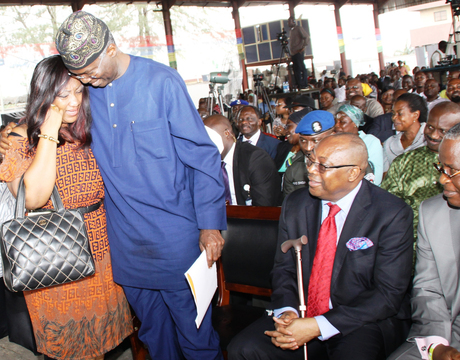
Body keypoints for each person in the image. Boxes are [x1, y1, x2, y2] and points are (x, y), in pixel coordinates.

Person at [53, 11, 226, 360]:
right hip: (127, 248)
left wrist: (210, 225)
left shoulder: (163, 82)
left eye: (89, 71)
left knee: (196, 337)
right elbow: (51, 110)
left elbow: (202, 156)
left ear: (112, 49)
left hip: (177, 242)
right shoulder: (88, 94)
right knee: (153, 336)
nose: (85, 81)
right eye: (78, 75)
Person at [228, 133, 413, 360]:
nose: (311, 171)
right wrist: (288, 311)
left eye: (322, 166)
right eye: (310, 160)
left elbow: (388, 294)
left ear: (353, 173)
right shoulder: (296, 204)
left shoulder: (391, 213)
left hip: (359, 321)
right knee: (245, 350)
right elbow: (283, 269)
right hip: (302, 311)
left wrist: (317, 325)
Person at [0, 55, 133, 360]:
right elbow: (33, 197)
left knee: (100, 347)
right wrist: (49, 129)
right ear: (44, 94)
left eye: (78, 91)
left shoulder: (90, 130)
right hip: (55, 258)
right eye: (62, 95)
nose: (73, 101)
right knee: (69, 350)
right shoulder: (20, 139)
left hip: (102, 255)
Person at [388, 122, 460, 360]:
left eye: (452, 171)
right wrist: (437, 345)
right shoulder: (433, 212)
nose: (441, 179)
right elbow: (428, 289)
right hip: (447, 333)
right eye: (441, 167)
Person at [381, 101, 460, 238]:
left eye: (443, 131)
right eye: (430, 127)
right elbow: (385, 204)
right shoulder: (404, 161)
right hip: (405, 242)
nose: (434, 135)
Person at [204, 115, 281, 206]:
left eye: (210, 138)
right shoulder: (206, 162)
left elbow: (264, 207)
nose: (206, 144)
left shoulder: (255, 158)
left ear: (227, 133)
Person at [282, 110, 335, 197]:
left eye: (316, 141)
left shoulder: (350, 163)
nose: (308, 148)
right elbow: (291, 206)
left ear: (332, 137)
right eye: (303, 140)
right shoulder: (294, 169)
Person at [334, 104, 383, 185]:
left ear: (355, 123)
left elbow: (376, 178)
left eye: (342, 122)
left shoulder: (371, 141)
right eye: (336, 122)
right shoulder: (334, 142)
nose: (336, 126)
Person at [383, 93, 427, 172]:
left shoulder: (429, 139)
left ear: (415, 115)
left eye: (400, 113)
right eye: (393, 113)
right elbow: (385, 175)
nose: (394, 118)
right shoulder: (389, 143)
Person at [288, 16, 308, 90]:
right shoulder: (291, 31)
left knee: (301, 68)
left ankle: (304, 84)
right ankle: (299, 84)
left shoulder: (298, 28)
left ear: (293, 21)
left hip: (299, 51)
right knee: (296, 69)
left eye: (290, 21)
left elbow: (306, 37)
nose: (288, 23)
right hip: (293, 53)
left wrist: (303, 47)